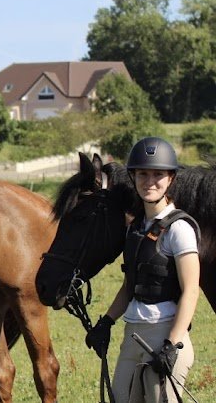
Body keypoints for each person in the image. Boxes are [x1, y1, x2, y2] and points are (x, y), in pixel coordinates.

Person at [85, 137, 200, 402]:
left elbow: (191, 291)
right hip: (133, 334)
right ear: (133, 177)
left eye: (158, 174)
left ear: (170, 179)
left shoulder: (179, 229)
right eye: (143, 174)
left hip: (165, 333)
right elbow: (130, 286)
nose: (150, 181)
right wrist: (107, 321)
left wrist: (171, 345)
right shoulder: (135, 228)